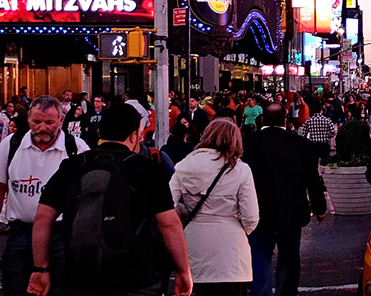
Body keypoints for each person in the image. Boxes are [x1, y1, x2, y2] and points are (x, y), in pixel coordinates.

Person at [26, 104, 193, 296]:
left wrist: (41, 269)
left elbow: (43, 217)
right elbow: (169, 224)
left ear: (99, 132)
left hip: (79, 277)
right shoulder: (147, 168)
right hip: (136, 278)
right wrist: (183, 270)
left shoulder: (73, 165)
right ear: (133, 135)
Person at [0, 96, 89, 296]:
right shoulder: (12, 144)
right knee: (16, 288)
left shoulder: (76, 148)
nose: (42, 127)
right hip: (21, 233)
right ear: (28, 120)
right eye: (37, 122)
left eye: (49, 122)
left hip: (62, 234)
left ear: (61, 121)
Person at [242, 103, 326, 296]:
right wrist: (320, 207)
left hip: (257, 209)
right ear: (285, 119)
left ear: (262, 118)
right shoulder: (300, 144)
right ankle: (285, 292)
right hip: (291, 210)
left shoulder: (249, 143)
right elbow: (312, 179)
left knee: (259, 254)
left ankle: (260, 292)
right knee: (288, 257)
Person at [171, 118, 259, 296]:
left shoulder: (184, 166)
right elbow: (251, 217)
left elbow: (167, 205)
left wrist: (185, 212)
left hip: (195, 241)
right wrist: (240, 227)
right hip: (231, 247)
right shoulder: (241, 169)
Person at [298, 98, 336, 164]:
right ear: (321, 111)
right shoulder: (327, 120)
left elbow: (303, 134)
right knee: (325, 162)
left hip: (314, 145)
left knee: (314, 163)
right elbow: (333, 133)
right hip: (324, 144)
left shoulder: (308, 121)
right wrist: (326, 135)